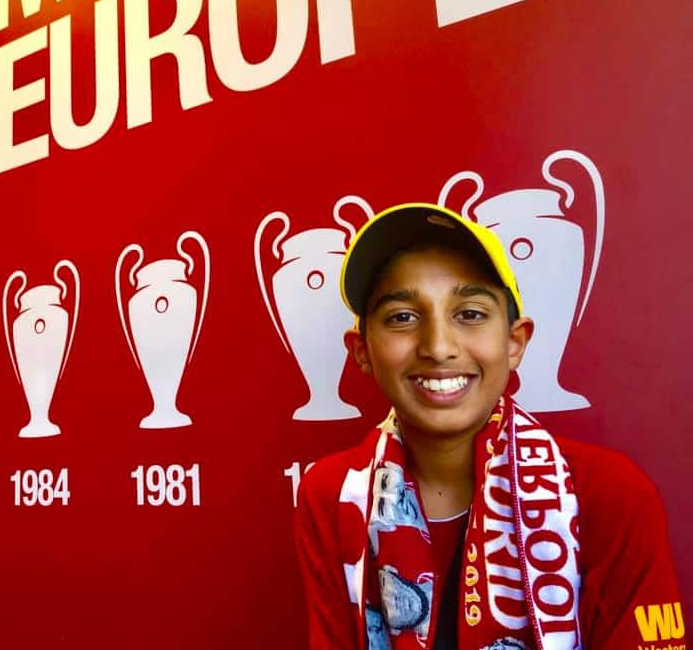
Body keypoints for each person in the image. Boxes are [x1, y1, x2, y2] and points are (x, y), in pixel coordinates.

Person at [294, 203, 685, 649]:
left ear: (515, 342)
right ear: (362, 350)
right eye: (402, 317)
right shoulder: (332, 495)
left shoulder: (608, 493)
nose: (438, 347)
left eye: (470, 314)